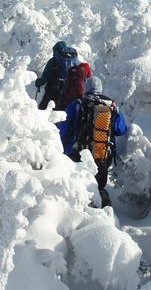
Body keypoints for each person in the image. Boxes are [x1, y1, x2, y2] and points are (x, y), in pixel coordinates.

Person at [57, 76, 127, 207]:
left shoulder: (77, 104)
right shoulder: (111, 106)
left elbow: (63, 128)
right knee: (98, 187)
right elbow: (121, 129)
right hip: (102, 155)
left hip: (78, 153)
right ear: (100, 89)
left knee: (77, 186)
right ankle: (104, 213)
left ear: (86, 88)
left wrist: (60, 148)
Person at [35, 41, 77, 110]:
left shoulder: (53, 61)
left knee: (42, 111)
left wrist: (38, 82)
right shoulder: (71, 61)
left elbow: (45, 77)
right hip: (65, 91)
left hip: (51, 90)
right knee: (60, 112)